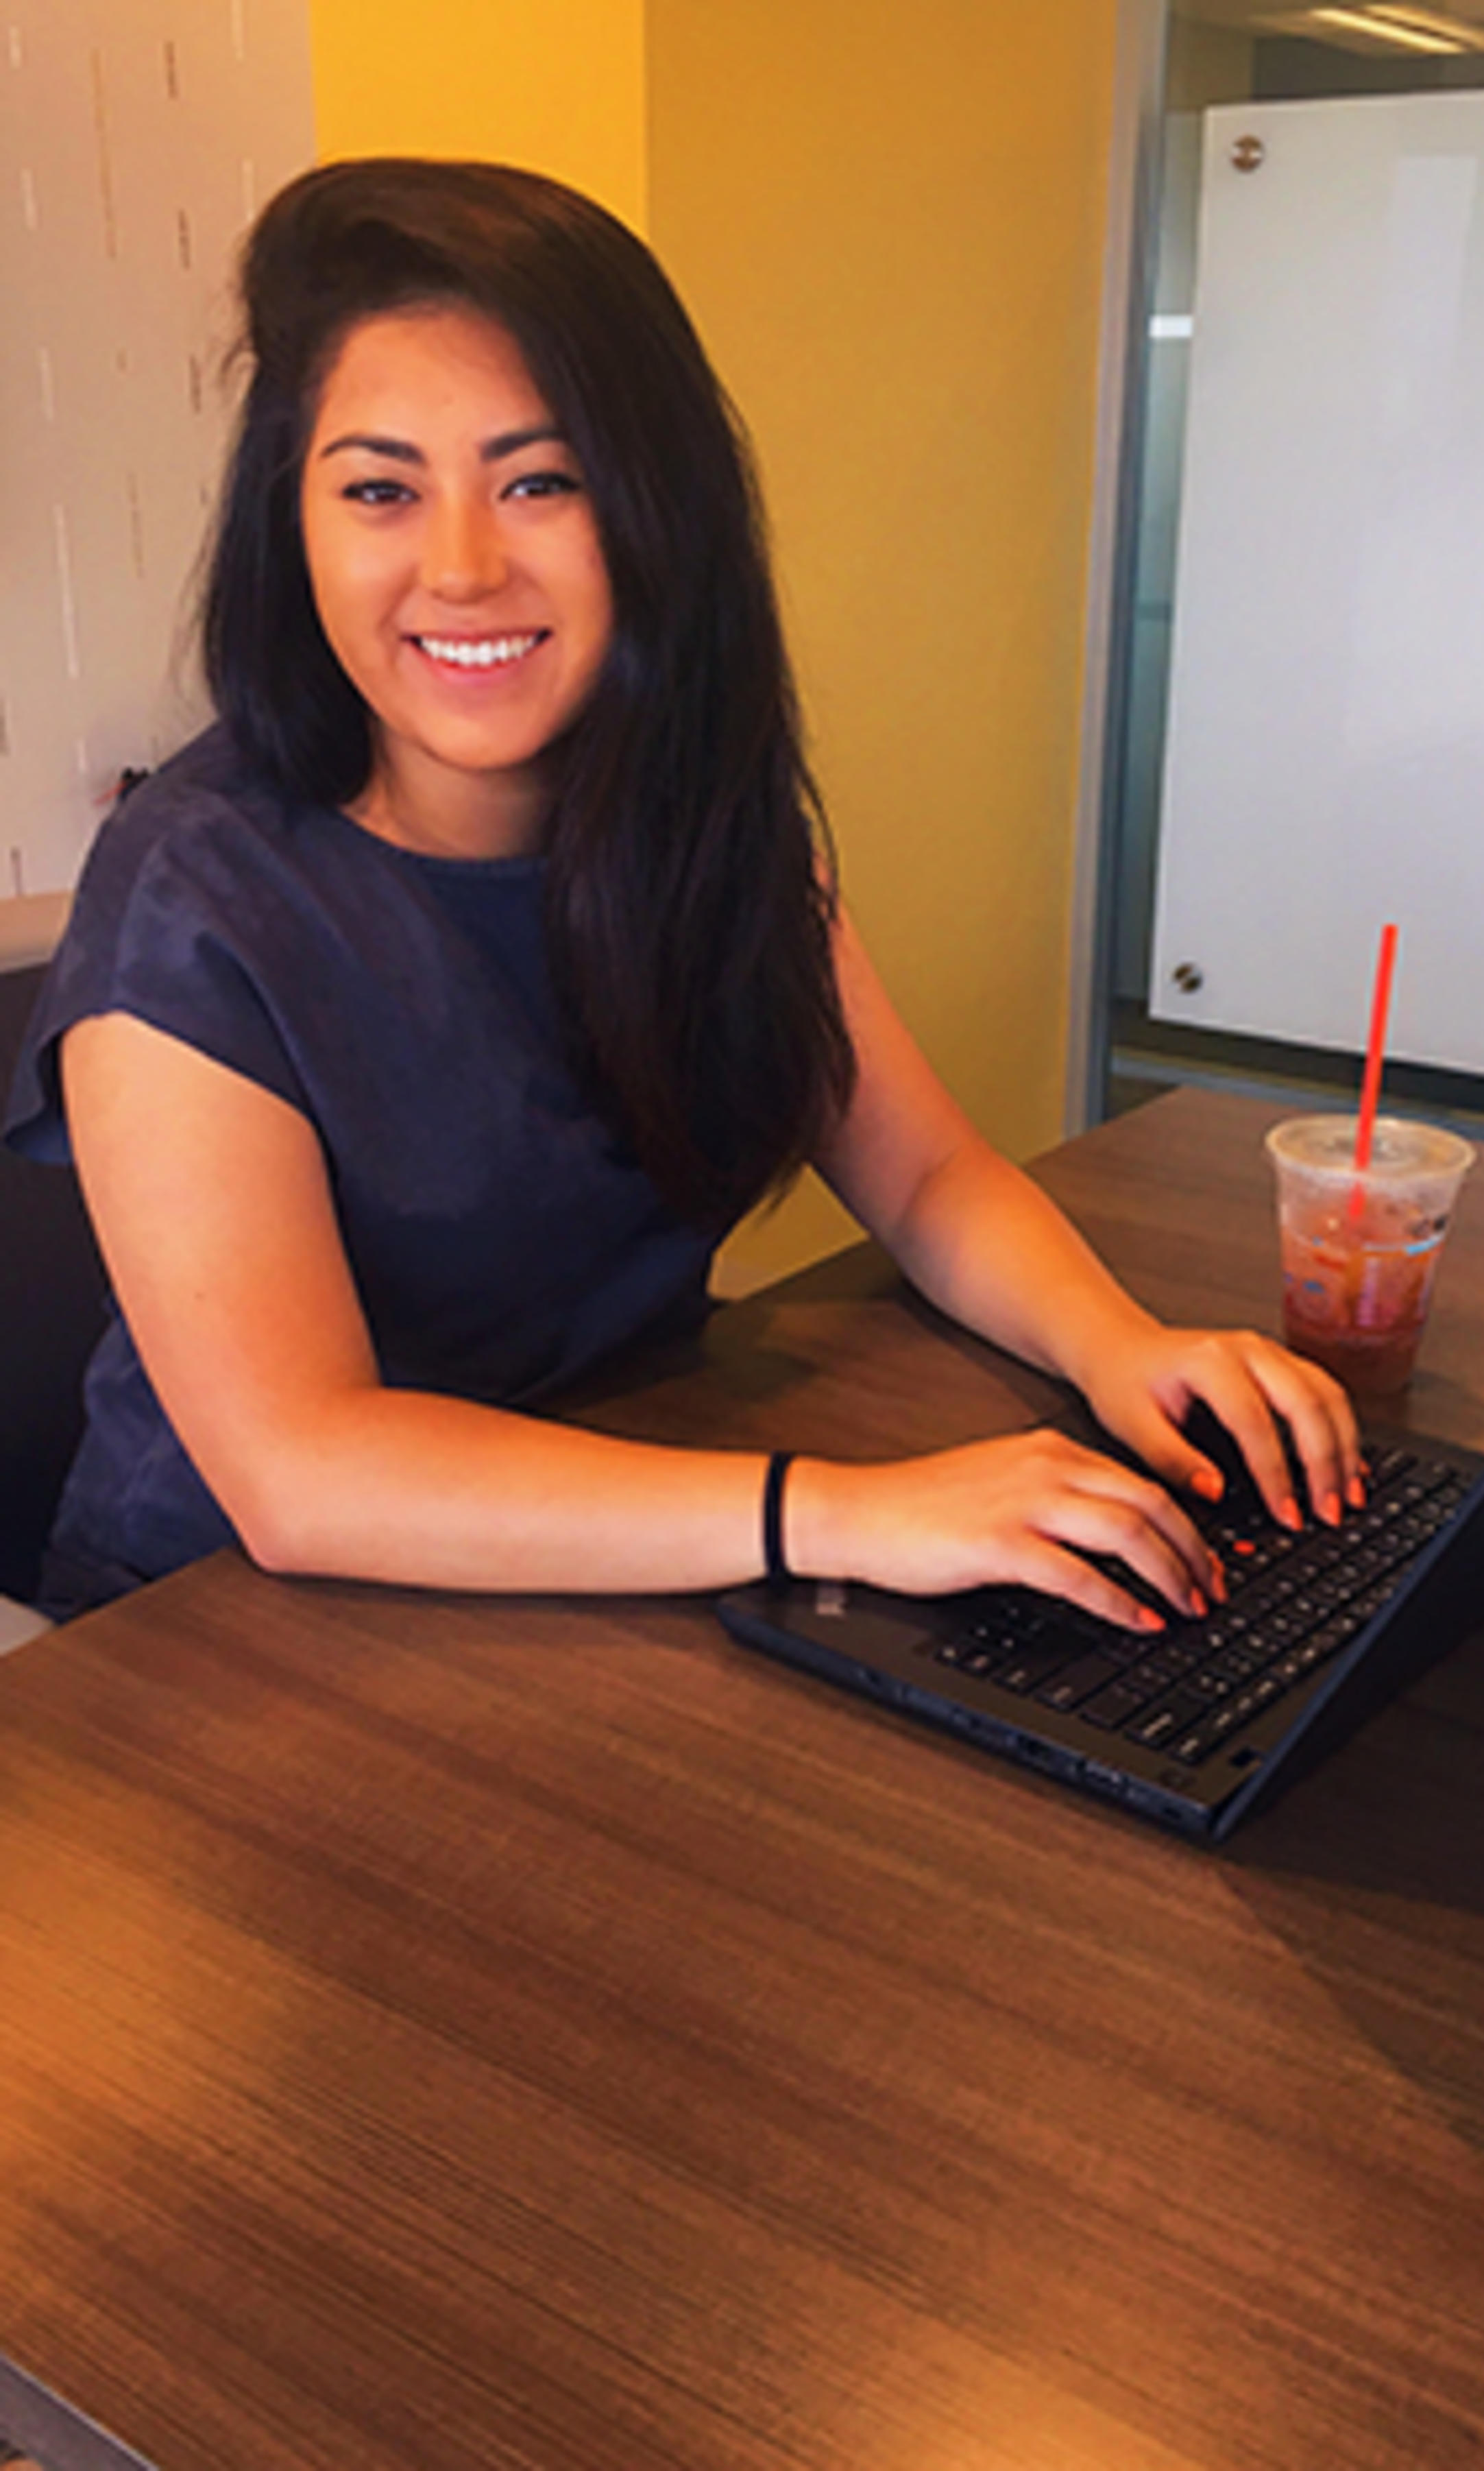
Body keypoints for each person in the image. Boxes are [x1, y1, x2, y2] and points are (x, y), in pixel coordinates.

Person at [3, 158, 1360, 1628]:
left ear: (652, 511)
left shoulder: (704, 816)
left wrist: (1119, 1346)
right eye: (381, 490)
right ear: (297, 526)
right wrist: (849, 1509)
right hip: (219, 1639)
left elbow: (922, 1173)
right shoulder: (196, 894)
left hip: (615, 1532)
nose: (459, 566)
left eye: (539, 480)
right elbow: (301, 1467)